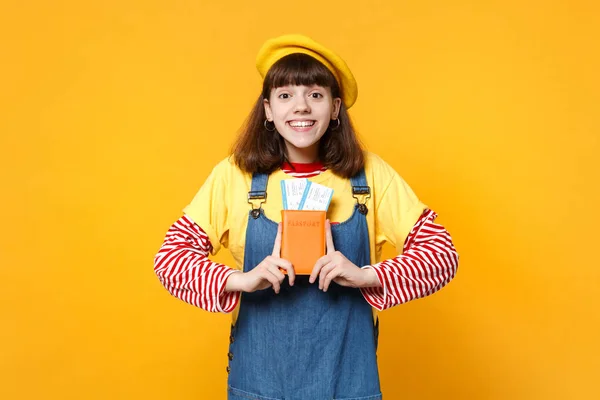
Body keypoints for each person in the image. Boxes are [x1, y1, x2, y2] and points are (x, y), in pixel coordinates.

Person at [154, 34, 459, 400]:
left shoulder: (370, 176)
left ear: (334, 108)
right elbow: (170, 259)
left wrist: (366, 275)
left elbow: (442, 254)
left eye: (315, 94)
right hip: (260, 387)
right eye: (285, 95)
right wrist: (241, 280)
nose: (300, 106)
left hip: (348, 385)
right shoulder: (234, 176)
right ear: (268, 109)